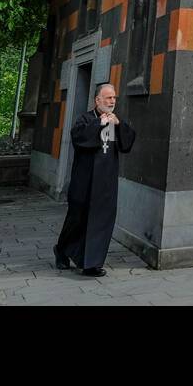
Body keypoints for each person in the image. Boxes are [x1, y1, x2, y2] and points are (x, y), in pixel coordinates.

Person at [54, 83, 136, 277]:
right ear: (97, 100)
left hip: (106, 183)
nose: (112, 101)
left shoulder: (116, 121)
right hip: (85, 182)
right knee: (77, 220)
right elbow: (79, 138)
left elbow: (128, 143)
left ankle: (92, 264)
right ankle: (62, 249)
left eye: (114, 97)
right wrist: (98, 123)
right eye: (108, 97)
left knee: (101, 222)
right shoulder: (85, 119)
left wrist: (119, 125)